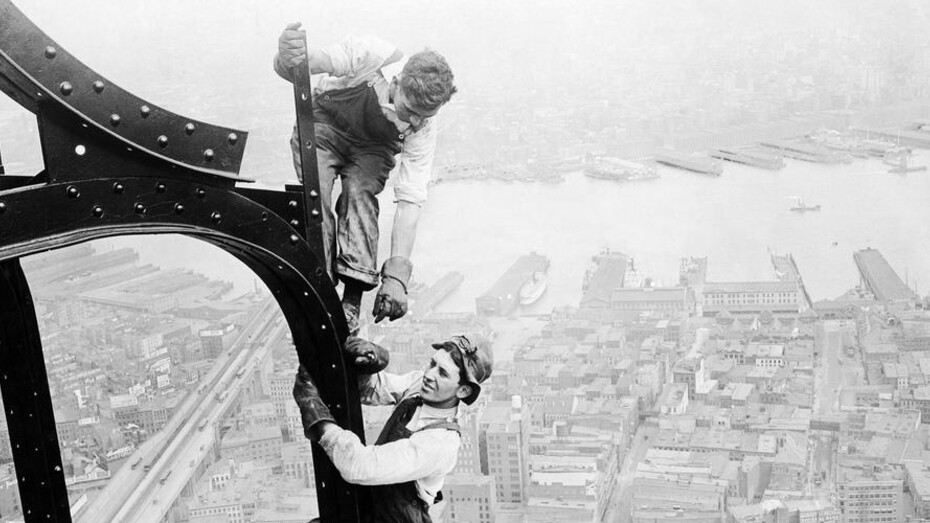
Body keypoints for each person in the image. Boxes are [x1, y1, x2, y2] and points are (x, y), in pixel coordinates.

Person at [274, 24, 457, 333]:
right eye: (409, 109)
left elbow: (410, 202)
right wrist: (289, 56)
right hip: (324, 128)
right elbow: (310, 65)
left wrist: (397, 275)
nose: (413, 122)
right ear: (396, 83)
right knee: (315, 197)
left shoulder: (424, 129)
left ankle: (352, 299)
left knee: (361, 196)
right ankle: (321, 279)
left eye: (423, 117)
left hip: (372, 150)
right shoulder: (370, 54)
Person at [293, 334, 493, 522]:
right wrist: (369, 363)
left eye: (442, 373)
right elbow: (373, 389)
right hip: (373, 507)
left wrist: (316, 415)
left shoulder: (441, 443)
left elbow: (359, 465)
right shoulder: (419, 386)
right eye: (433, 364)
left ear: (464, 390)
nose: (429, 375)